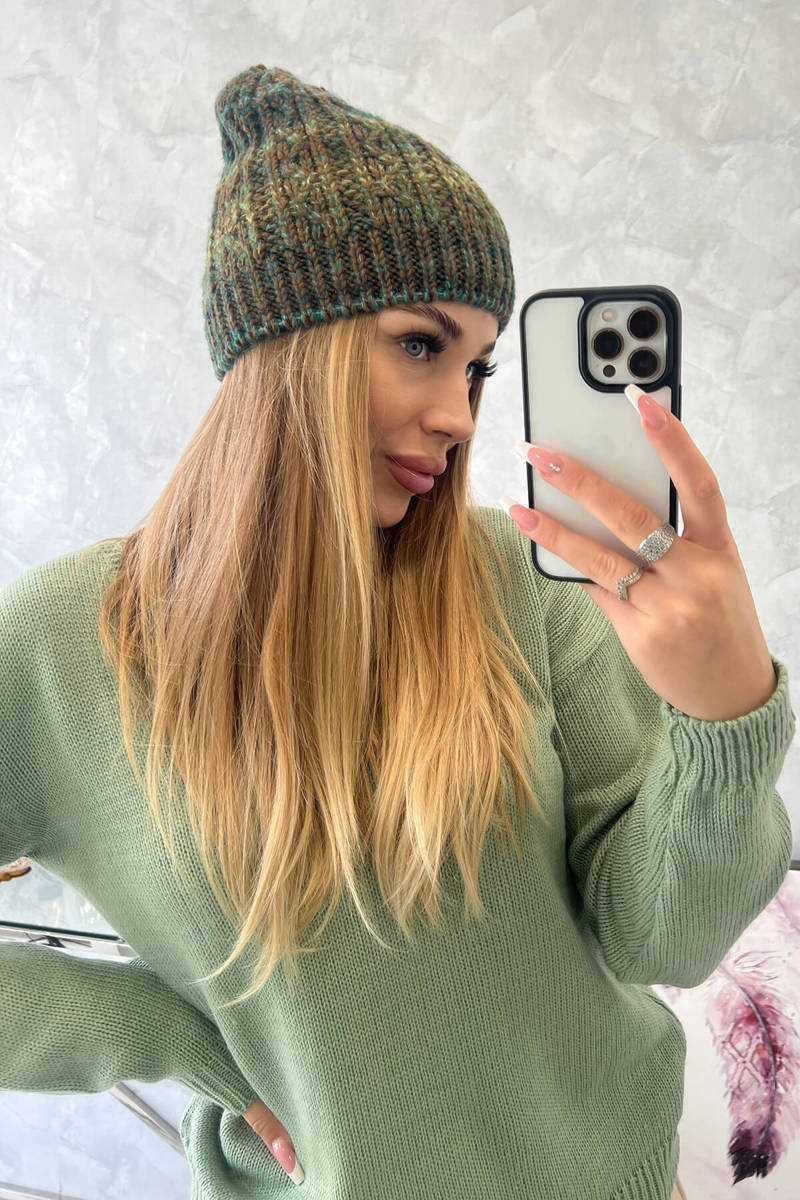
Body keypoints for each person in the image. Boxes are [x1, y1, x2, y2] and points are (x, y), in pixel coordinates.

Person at [0, 65, 794, 1200]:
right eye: (420, 344)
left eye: (477, 367)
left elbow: (659, 942)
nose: (460, 415)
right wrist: (152, 1031)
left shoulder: (515, 587)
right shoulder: (62, 646)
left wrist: (723, 718)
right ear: (285, 346)